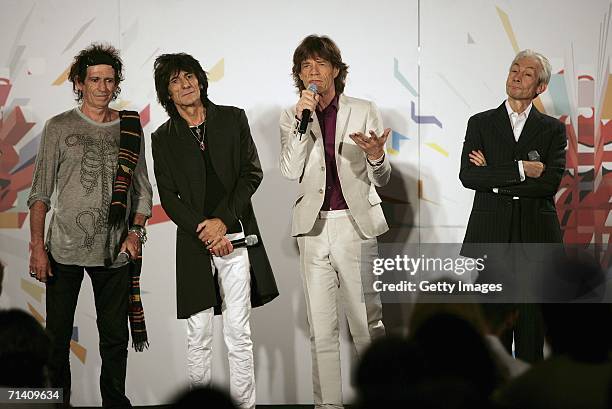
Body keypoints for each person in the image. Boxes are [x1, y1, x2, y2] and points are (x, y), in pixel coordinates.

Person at [27, 43, 152, 408]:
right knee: (56, 338)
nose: (102, 86)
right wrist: (37, 246)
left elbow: (143, 189)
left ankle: (114, 403)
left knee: (114, 338)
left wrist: (135, 232)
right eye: (94, 79)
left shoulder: (129, 127)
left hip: (114, 251)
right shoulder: (58, 127)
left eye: (109, 80)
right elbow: (39, 194)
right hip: (62, 250)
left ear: (116, 85)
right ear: (79, 83)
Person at [151, 53, 278, 409]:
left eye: (189, 76)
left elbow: (251, 173)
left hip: (236, 235)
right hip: (193, 242)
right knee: (198, 334)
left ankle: (245, 406)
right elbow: (169, 198)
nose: (185, 85)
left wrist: (222, 221)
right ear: (168, 93)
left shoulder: (232, 118)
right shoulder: (163, 137)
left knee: (239, 332)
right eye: (175, 81)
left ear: (201, 81)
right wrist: (205, 232)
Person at [279, 35, 391, 408]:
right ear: (298, 75)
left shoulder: (363, 109)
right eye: (306, 66)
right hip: (313, 228)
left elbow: (382, 177)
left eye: (320, 64)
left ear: (336, 71)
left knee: (366, 323)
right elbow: (290, 169)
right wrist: (300, 119)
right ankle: (328, 405)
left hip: (353, 225)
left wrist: (376, 156)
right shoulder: (293, 115)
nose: (313, 72)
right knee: (321, 330)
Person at [459, 49, 567, 363]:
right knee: (496, 334)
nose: (517, 76)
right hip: (491, 236)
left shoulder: (552, 130)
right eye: (514, 69)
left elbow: (548, 184)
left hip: (536, 239)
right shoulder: (480, 122)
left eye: (527, 73)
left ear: (540, 87)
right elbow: (468, 175)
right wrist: (520, 169)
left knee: (533, 331)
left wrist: (492, 176)